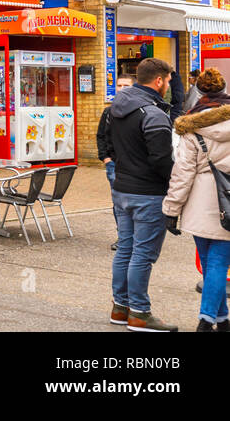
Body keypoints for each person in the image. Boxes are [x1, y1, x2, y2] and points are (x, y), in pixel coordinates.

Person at [110, 57, 178, 331]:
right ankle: (139, 312)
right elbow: (162, 159)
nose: (170, 87)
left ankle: (120, 308)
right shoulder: (153, 113)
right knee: (143, 254)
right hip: (148, 193)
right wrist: (175, 182)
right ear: (159, 81)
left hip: (122, 188)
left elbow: (110, 144)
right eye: (169, 81)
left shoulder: (117, 107)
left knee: (125, 249)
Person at [163, 68, 230, 331]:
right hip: (229, 205)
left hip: (200, 202)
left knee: (209, 263)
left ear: (199, 92)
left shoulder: (191, 127)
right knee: (218, 263)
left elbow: (182, 173)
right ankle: (220, 320)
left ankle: (206, 319)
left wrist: (171, 209)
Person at [98, 76, 134, 251]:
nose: (122, 88)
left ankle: (135, 236)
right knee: (118, 202)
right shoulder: (108, 112)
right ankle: (124, 236)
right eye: (119, 85)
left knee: (134, 201)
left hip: (134, 165)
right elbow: (101, 136)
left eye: (126, 85)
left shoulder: (139, 110)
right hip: (114, 163)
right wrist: (105, 158)